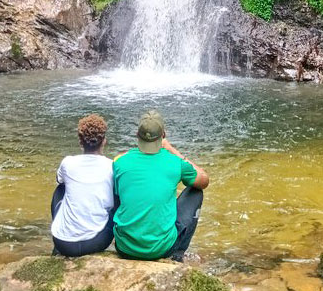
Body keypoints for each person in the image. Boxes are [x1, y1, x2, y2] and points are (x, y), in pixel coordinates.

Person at [112, 110, 208, 262]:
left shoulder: (119, 162)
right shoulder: (174, 162)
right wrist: (171, 149)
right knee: (196, 191)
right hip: (161, 250)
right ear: (163, 135)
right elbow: (204, 180)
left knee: (120, 190)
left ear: (137, 135)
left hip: (124, 248)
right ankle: (177, 254)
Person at [50, 113, 116, 256]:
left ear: (80, 142)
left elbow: (59, 180)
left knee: (60, 188)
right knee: (117, 195)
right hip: (97, 241)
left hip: (63, 243)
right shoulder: (111, 166)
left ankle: (62, 231)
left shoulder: (68, 163)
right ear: (104, 141)